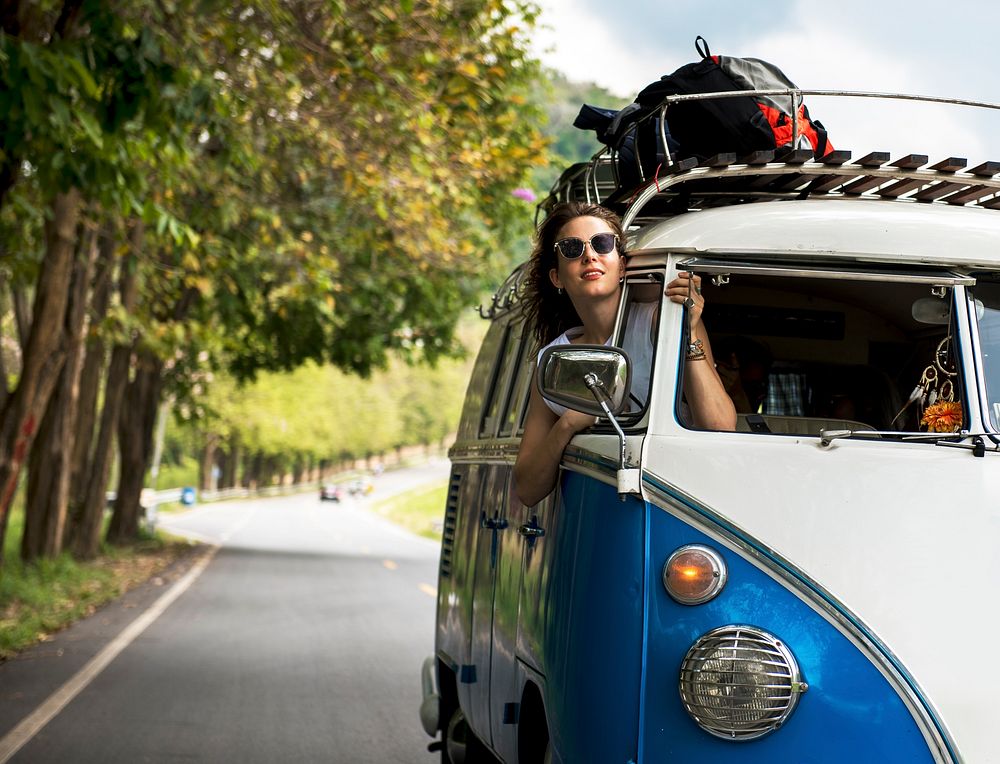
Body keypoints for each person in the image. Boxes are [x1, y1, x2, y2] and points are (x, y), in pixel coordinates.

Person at [513, 202, 736, 506]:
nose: (589, 255)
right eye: (571, 248)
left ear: (621, 265)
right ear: (557, 278)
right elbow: (527, 490)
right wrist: (566, 425)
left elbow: (720, 427)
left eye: (602, 244)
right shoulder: (554, 359)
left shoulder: (661, 320)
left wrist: (690, 332)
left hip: (684, 493)